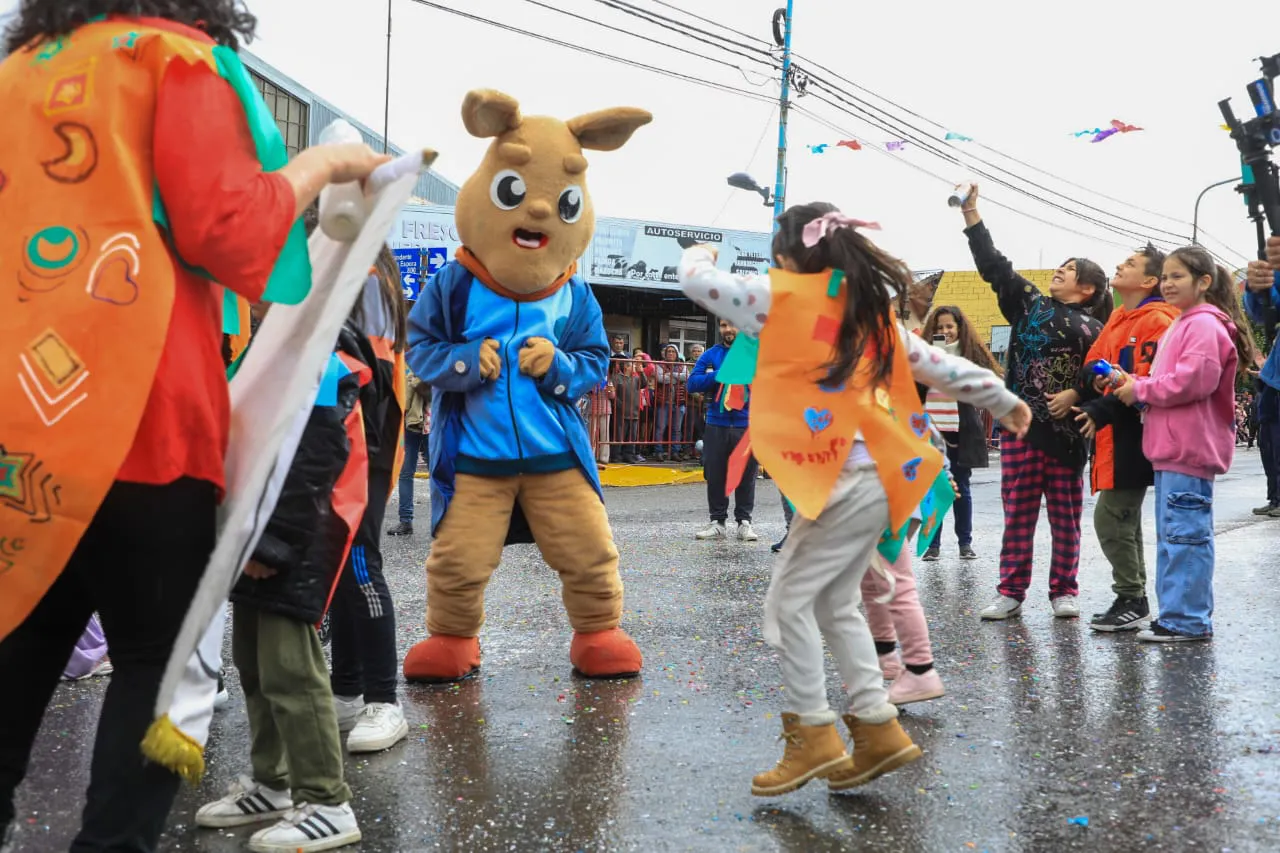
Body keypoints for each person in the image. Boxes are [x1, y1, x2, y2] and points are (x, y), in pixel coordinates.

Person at [0, 5, 386, 852]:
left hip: (20, 426)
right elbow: (234, 232)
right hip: (143, 420)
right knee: (156, 664)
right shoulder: (177, 60)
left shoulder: (23, 68)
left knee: (17, 642)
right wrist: (323, 161)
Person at [679, 202, 1030, 796]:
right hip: (878, 481)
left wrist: (701, 253)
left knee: (787, 605)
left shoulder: (779, 298)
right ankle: (876, 728)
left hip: (841, 483)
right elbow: (936, 363)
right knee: (835, 604)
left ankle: (813, 733)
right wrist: (1002, 398)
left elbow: (697, 282)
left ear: (788, 255)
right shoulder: (868, 315)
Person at [196, 310, 377, 850]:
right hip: (259, 526)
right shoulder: (280, 339)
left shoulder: (318, 348)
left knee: (290, 668)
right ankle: (272, 783)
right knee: (254, 659)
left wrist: (271, 540)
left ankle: (327, 801)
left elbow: (318, 455)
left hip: (291, 532)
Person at [959, 185, 1109, 621]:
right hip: (1021, 427)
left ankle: (1065, 590)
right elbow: (993, 266)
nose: (1058, 272)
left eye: (1069, 269)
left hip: (1068, 435)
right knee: (1018, 515)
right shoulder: (1028, 305)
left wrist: (1076, 395)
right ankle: (1010, 591)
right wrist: (972, 214)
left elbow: (1104, 376)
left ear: (1087, 288)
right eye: (1059, 267)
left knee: (1066, 518)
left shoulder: (1096, 328)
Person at [1113, 247, 1255, 642]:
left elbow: (1193, 381)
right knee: (1175, 537)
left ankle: (1186, 620)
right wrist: (1136, 388)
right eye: (1165, 277)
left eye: (1177, 276)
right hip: (1172, 450)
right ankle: (1176, 616)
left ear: (1203, 281)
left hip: (1187, 450)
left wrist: (1140, 388)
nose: (1168, 283)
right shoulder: (1186, 322)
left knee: (1185, 538)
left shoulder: (1204, 325)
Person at [1056, 246, 1177, 632]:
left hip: (1137, 433)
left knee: (1111, 517)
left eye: (1129, 264)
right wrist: (1098, 376)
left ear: (1148, 281)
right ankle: (1133, 596)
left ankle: (1132, 597)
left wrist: (1101, 402)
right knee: (1124, 519)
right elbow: (1094, 363)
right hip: (1116, 432)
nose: (1119, 266)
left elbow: (1140, 383)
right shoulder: (1119, 317)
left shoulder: (1158, 320)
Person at [329, 247, 411, 755]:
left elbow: (373, 378)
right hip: (339, 443)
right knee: (338, 566)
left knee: (359, 562)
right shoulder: (347, 265)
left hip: (362, 445)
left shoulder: (366, 273)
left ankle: (383, 698)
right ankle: (347, 687)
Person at [918, 305, 1002, 561]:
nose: (945, 331)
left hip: (960, 431)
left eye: (949, 327)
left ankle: (965, 542)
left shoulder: (969, 356)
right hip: (931, 432)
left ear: (959, 329)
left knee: (961, 488)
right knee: (934, 488)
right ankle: (933, 545)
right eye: (940, 327)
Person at [688, 320, 757, 541]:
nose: (728, 330)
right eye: (724, 325)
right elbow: (692, 384)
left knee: (746, 475)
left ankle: (744, 522)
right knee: (716, 474)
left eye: (733, 324)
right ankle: (717, 522)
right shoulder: (710, 355)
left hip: (746, 424)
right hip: (716, 423)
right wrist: (719, 374)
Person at [1245, 237, 1280, 517]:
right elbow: (1265, 313)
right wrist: (1257, 286)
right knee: (1269, 444)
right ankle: (1276, 496)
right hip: (1274, 380)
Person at [387, 366, 430, 536]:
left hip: (418, 421)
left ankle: (406, 521)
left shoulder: (406, 360)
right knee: (435, 474)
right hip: (424, 421)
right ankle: (443, 523)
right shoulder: (431, 354)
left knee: (407, 473)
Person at [653, 344, 689, 460]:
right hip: (664, 402)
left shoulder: (682, 365)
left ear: (677, 353)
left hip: (679, 402)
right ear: (665, 353)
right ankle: (658, 451)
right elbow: (660, 378)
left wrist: (671, 375)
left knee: (677, 429)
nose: (671, 353)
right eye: (669, 351)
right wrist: (677, 377)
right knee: (660, 428)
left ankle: (675, 452)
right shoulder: (659, 365)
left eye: (673, 351)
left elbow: (687, 377)